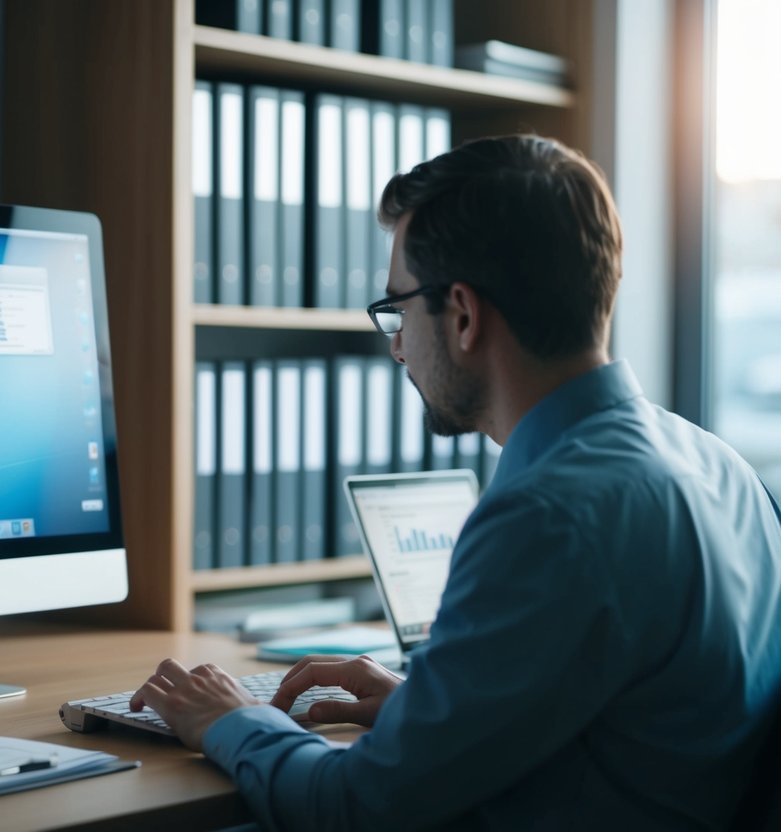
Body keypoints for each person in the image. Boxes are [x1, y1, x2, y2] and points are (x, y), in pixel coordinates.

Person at [130, 135, 781, 829]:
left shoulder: (548, 513)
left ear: (464, 315)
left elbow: (353, 808)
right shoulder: (718, 465)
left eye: (400, 309)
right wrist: (430, 706)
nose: (396, 344)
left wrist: (232, 719)